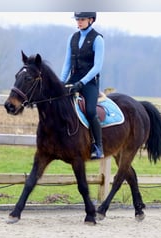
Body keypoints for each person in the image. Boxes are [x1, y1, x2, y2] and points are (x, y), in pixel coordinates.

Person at [60, 12, 105, 159]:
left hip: (89, 82)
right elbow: (67, 63)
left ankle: (98, 147)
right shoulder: (72, 38)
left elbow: (97, 67)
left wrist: (82, 83)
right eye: (77, 19)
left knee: (91, 111)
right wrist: (61, 82)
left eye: (82, 19)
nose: (79, 22)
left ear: (91, 20)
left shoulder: (98, 39)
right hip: (73, 79)